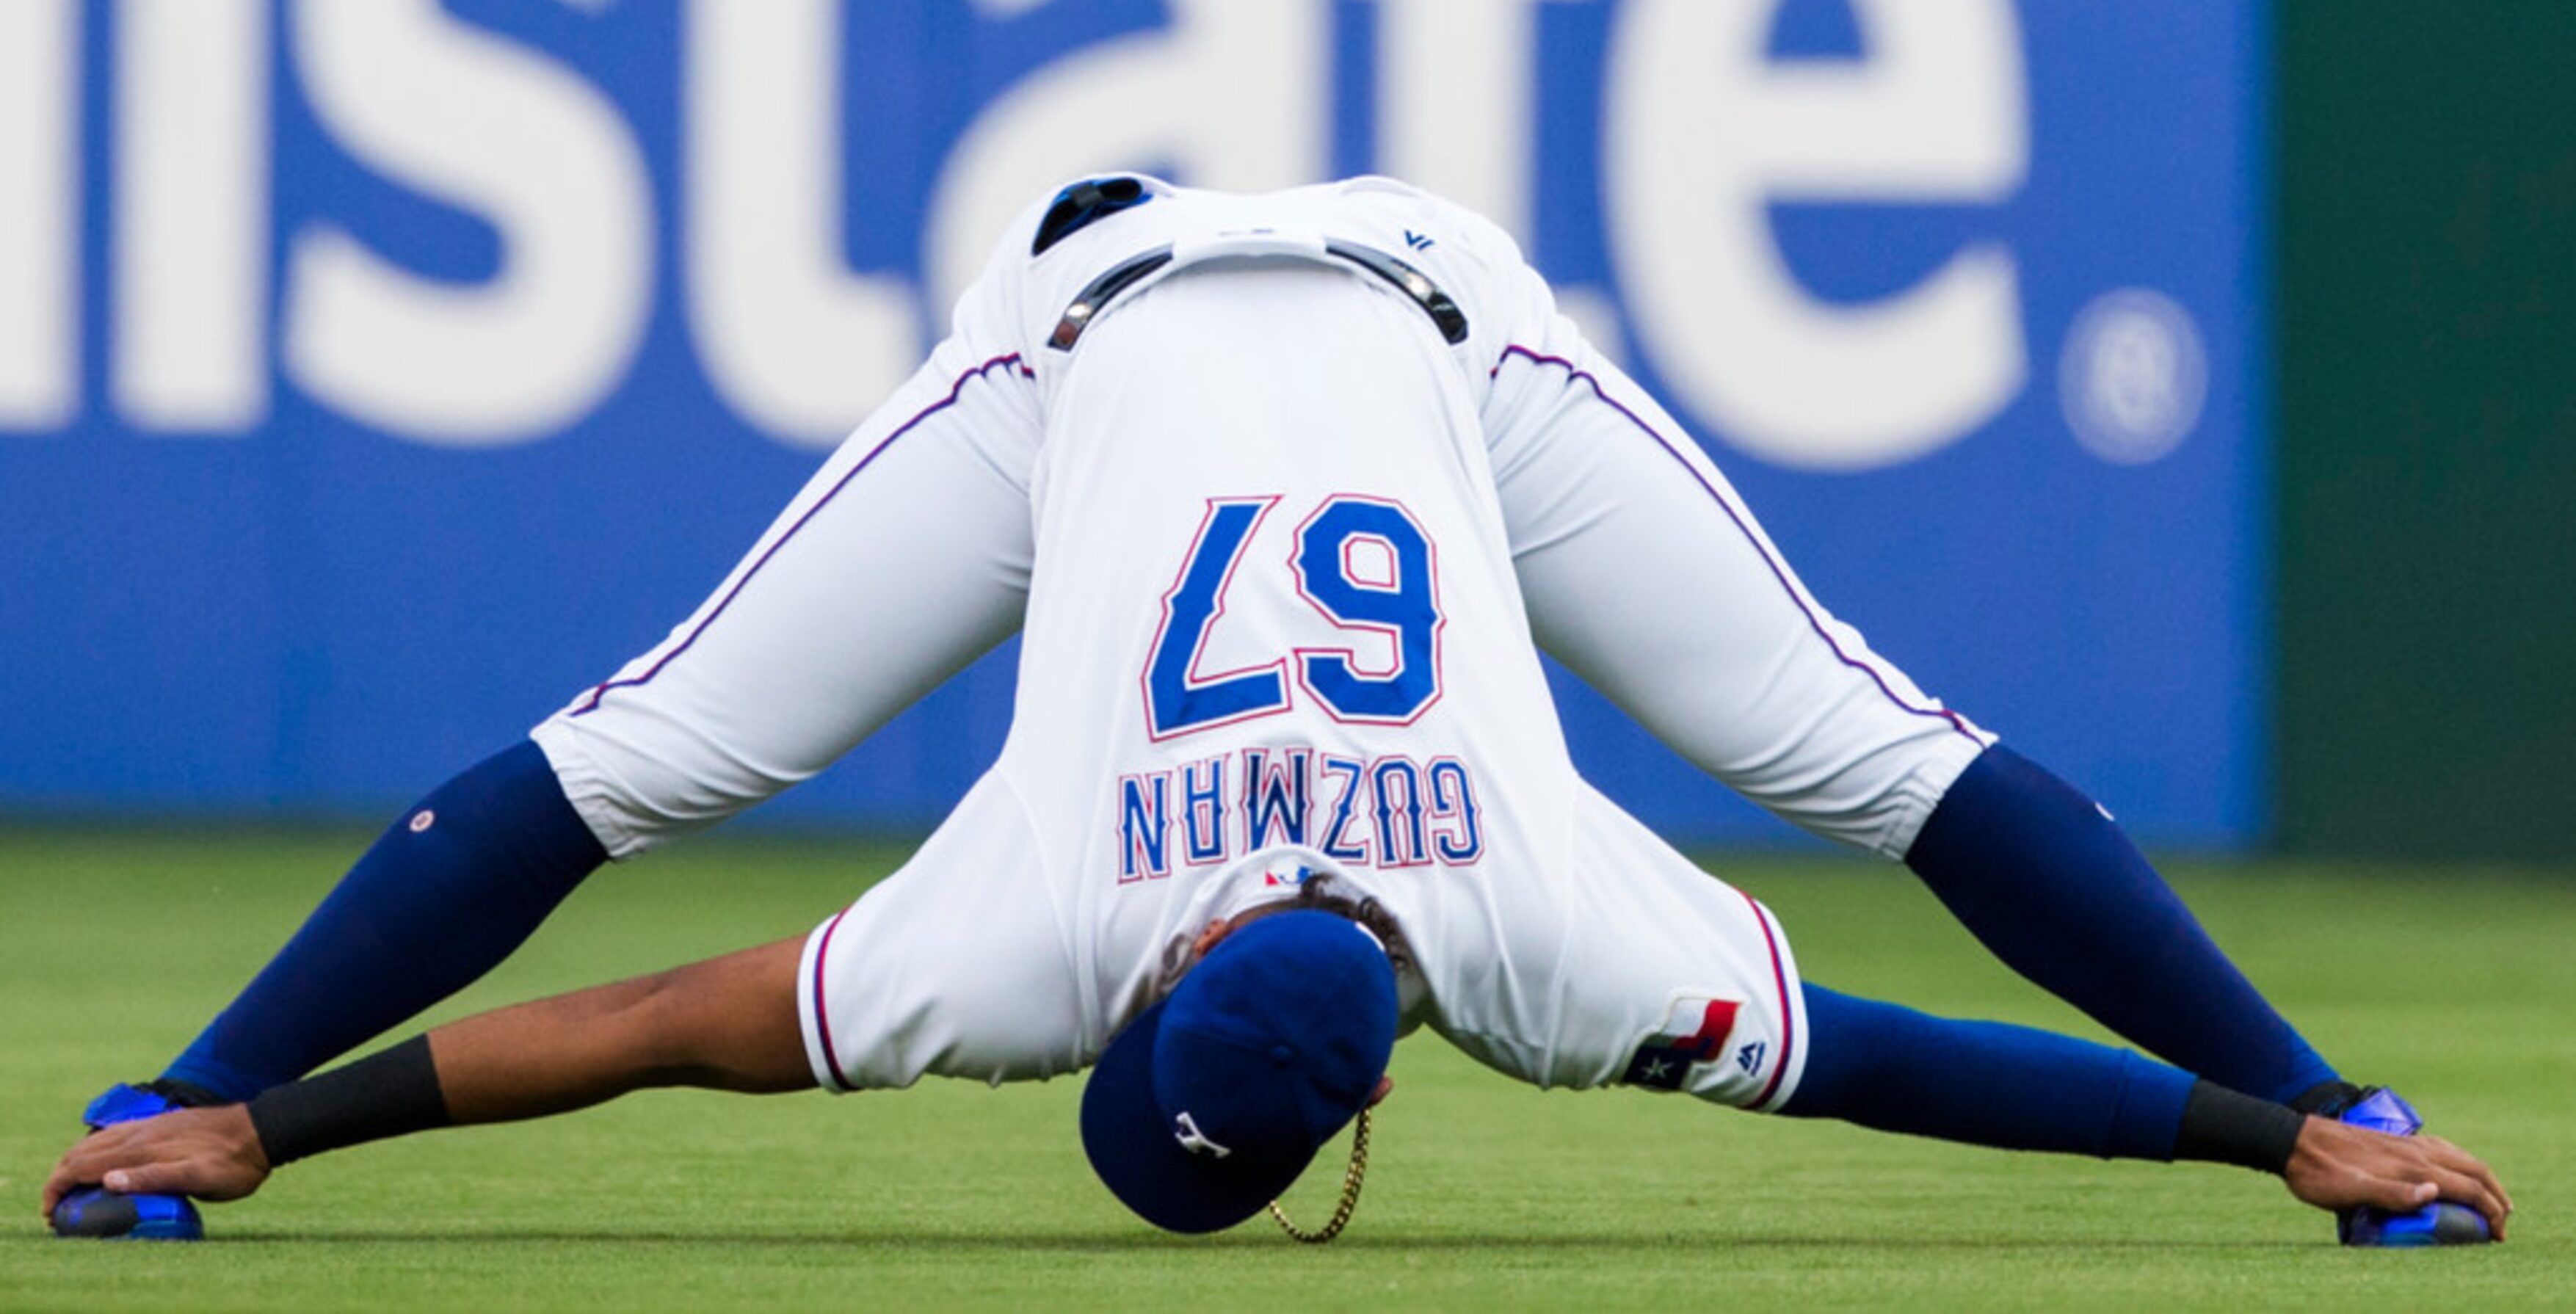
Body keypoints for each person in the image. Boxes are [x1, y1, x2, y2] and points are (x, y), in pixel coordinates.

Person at [47, 176, 2507, 1246]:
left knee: (661, 753)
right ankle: (178, 1105)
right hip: (1286, 319)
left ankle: (2342, 1111)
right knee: (1852, 751)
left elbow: (1896, 1062)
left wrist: (2250, 1142)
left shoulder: (1522, 946)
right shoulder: (1049, 950)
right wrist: (280, 1129)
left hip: (1169, 326)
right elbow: (650, 1025)